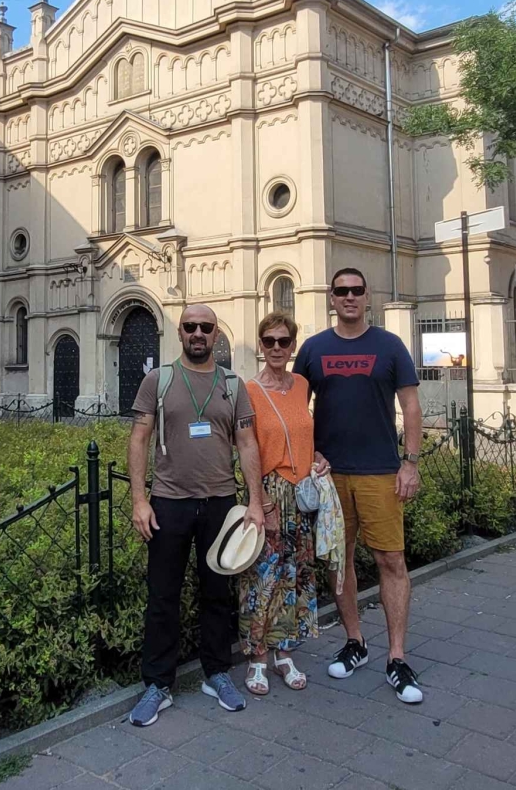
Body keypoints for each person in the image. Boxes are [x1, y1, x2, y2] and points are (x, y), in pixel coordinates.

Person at [128, 304, 267, 727]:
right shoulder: (158, 380)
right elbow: (139, 438)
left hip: (221, 503)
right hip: (168, 502)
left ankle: (217, 673)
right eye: (190, 326)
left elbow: (247, 443)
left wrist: (256, 501)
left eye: (206, 327)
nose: (198, 333)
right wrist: (139, 500)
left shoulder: (232, 384)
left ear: (216, 333)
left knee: (217, 593)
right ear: (180, 332)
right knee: (162, 596)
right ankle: (158, 685)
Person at [294, 266, 426, 705]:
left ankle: (397, 657)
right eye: (341, 291)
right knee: (339, 561)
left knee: (391, 560)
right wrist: (308, 455)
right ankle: (355, 642)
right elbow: (297, 410)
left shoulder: (390, 346)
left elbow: (411, 407)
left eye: (356, 290)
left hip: (380, 472)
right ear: (331, 298)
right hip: (329, 477)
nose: (349, 297)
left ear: (368, 296)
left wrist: (410, 464)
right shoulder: (313, 349)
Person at [239, 311, 330, 695]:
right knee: (264, 577)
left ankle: (285, 653)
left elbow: (302, 433)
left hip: (302, 493)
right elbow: (246, 449)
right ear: (261, 345)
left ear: (293, 346)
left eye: (284, 341)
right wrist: (259, 502)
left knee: (296, 574)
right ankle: (257, 658)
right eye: (269, 341)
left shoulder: (301, 385)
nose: (276, 348)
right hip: (270, 492)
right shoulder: (248, 390)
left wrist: (317, 457)